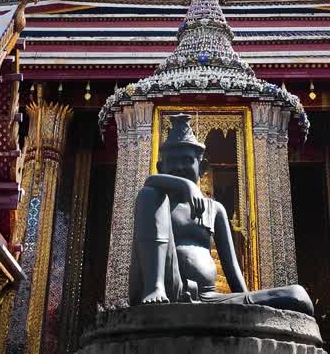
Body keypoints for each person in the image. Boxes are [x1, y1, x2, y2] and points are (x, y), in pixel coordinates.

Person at [130, 113, 314, 316]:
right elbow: (150, 182)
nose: (180, 166)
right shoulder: (157, 200)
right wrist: (186, 185)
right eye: (172, 161)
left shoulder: (214, 209)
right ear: (160, 167)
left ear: (202, 168)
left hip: (208, 297)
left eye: (187, 160)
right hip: (168, 289)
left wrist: (249, 305)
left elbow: (232, 270)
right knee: (149, 194)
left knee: (298, 296)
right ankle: (154, 286)